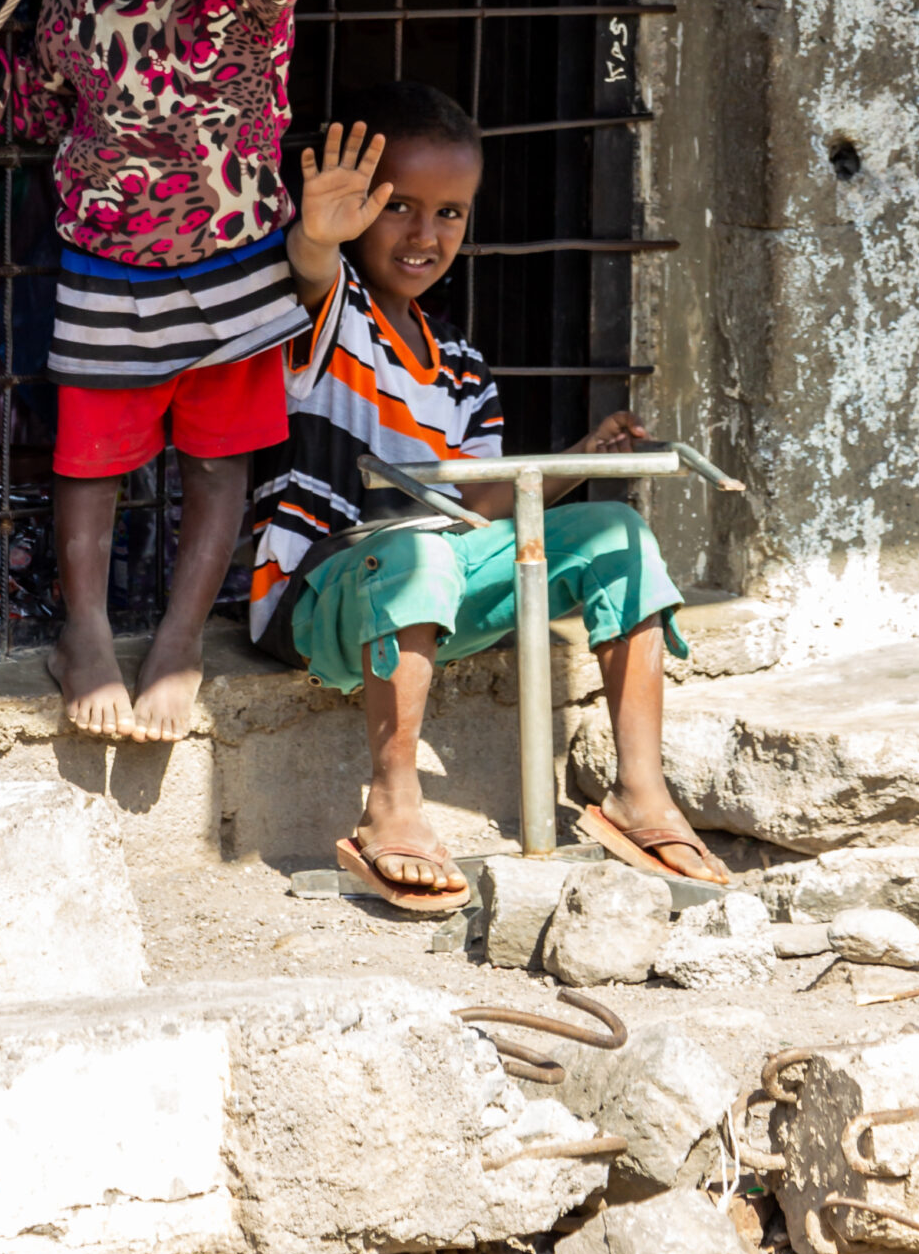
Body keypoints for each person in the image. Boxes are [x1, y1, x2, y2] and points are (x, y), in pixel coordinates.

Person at [249, 82, 728, 908]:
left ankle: (637, 792)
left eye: (450, 214)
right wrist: (313, 237)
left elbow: (483, 511)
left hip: (435, 586)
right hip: (317, 601)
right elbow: (311, 273)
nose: (424, 234)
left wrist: (577, 460)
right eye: (397, 206)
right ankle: (392, 802)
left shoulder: (463, 368)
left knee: (614, 531)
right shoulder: (331, 314)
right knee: (415, 548)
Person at [0, 0, 314, 743]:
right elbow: (41, 114)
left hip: (233, 270)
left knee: (219, 464)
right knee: (88, 461)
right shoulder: (65, 5)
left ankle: (180, 639)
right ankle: (85, 629)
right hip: (105, 274)